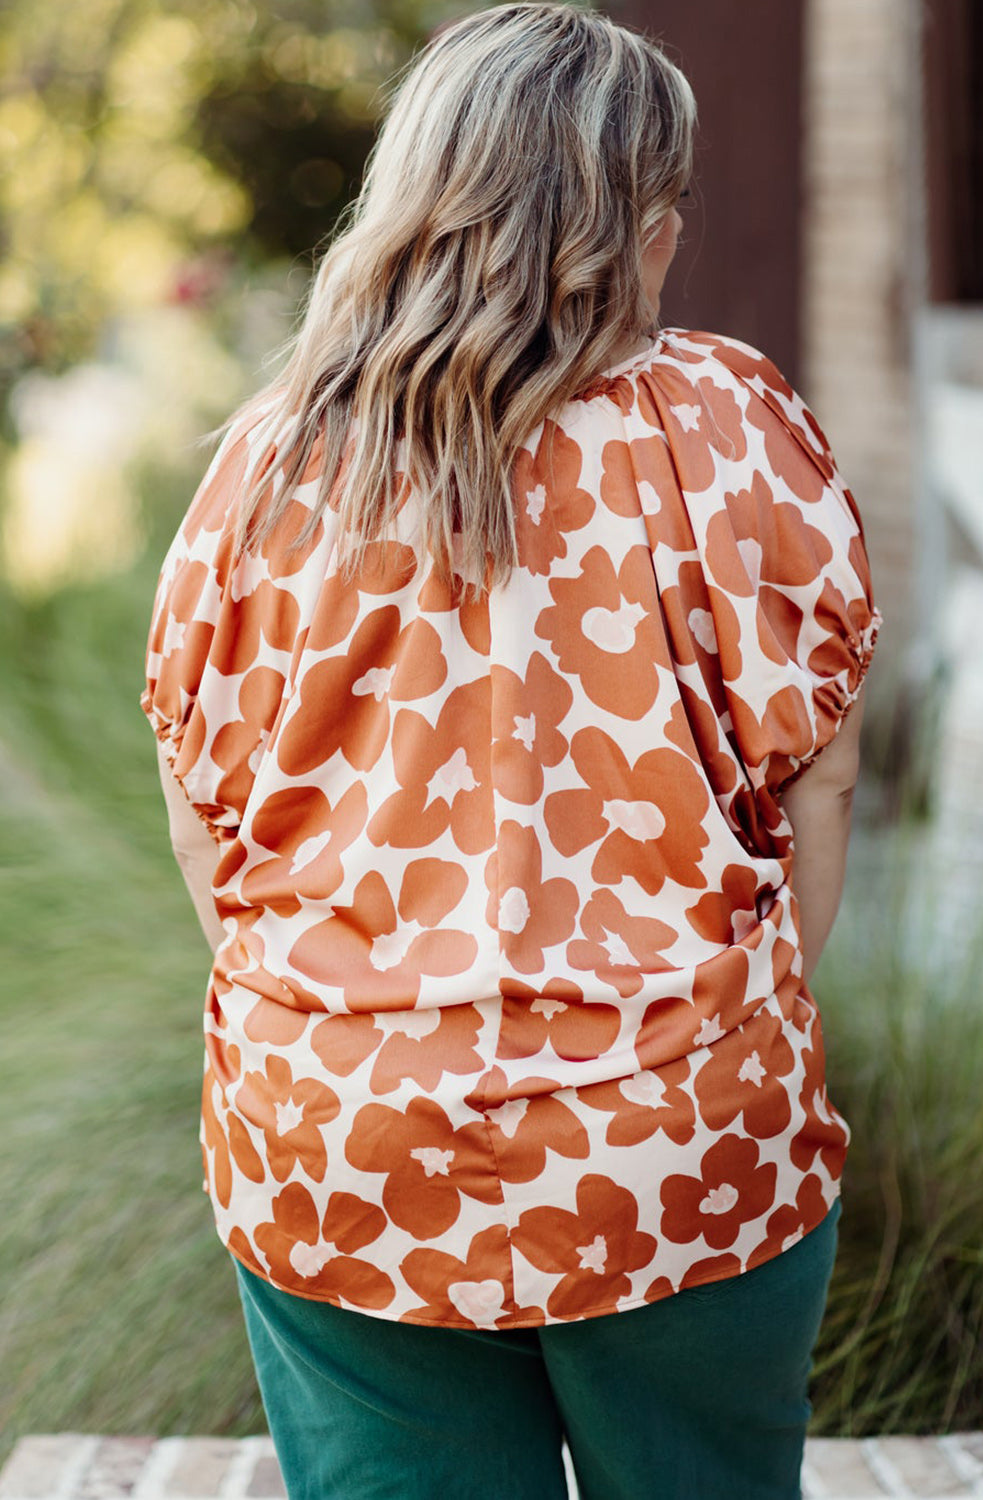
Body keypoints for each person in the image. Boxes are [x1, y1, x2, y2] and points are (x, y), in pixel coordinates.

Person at [140, 5, 881, 1497]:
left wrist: (354, 1035)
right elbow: (825, 773)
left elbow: (203, 799)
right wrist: (745, 1029)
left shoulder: (272, 454)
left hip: (342, 1134)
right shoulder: (731, 427)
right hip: (671, 1134)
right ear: (634, 229)